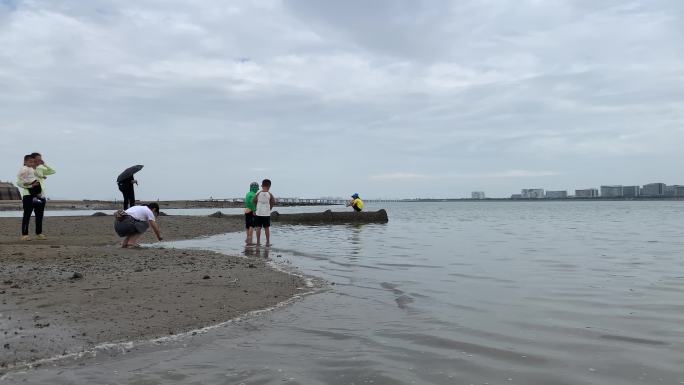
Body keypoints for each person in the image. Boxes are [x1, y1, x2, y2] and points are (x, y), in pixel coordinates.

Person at [16, 152, 55, 241]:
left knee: (39, 215)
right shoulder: (25, 169)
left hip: (40, 196)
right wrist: (30, 186)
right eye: (37, 159)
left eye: (40, 159)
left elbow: (53, 171)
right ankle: (24, 235)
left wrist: (44, 164)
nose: (39, 160)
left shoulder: (40, 169)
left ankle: (39, 233)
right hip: (28, 195)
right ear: (32, 160)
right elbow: (18, 182)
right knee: (27, 215)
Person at [253, 179, 276, 245]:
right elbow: (273, 202)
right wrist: (270, 207)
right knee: (266, 228)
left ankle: (258, 241)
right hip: (266, 214)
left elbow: (254, 201)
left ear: (262, 186)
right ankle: (268, 241)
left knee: (258, 227)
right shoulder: (269, 194)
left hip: (259, 213)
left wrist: (255, 209)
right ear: (269, 186)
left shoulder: (258, 193)